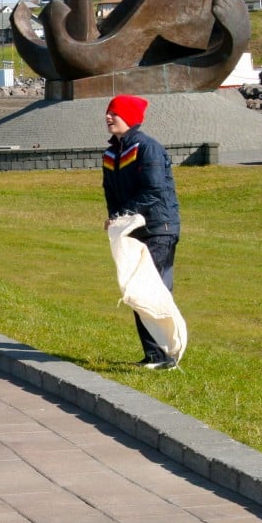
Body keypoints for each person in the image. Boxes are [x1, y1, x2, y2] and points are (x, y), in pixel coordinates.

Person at [102, 94, 182, 370]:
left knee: (148, 289)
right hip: (134, 230)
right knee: (138, 290)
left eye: (115, 113)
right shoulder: (112, 153)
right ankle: (155, 356)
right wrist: (115, 218)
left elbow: (154, 190)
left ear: (130, 118)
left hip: (159, 229)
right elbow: (111, 193)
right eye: (108, 113)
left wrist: (123, 215)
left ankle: (164, 356)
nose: (108, 117)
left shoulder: (147, 149)